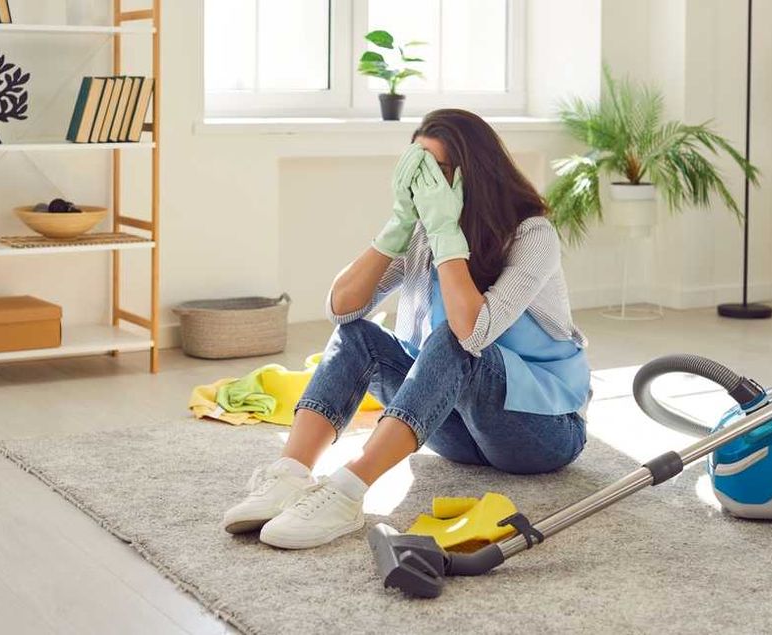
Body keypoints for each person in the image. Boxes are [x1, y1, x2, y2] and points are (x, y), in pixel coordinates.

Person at [223, 108, 591, 550]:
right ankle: (290, 476)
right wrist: (398, 225)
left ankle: (346, 493)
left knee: (454, 337)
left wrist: (447, 233)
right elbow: (341, 308)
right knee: (358, 334)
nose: (425, 184)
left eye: (436, 171)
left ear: (473, 173)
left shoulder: (533, 235)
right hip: (457, 432)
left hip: (541, 434)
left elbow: (472, 332)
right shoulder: (420, 231)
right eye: (416, 168)